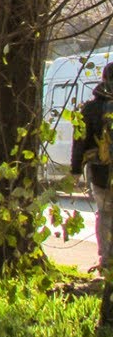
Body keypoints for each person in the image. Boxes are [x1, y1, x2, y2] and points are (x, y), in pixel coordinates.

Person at [72, 75, 113, 268]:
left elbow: (79, 141)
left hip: (100, 171)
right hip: (102, 171)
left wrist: (75, 169)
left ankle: (106, 260)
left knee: (105, 213)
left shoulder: (89, 109)